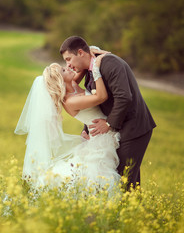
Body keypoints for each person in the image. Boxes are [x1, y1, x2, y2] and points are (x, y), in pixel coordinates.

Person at [59, 36, 156, 190]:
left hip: (133, 128)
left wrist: (109, 124)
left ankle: (126, 211)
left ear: (80, 53)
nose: (68, 64)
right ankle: (134, 212)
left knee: (123, 181)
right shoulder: (90, 69)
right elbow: (93, 106)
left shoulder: (109, 63)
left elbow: (124, 97)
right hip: (118, 129)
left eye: (69, 59)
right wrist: (87, 129)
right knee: (127, 181)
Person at [15, 52, 120, 192]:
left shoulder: (73, 84)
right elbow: (101, 96)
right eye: (63, 70)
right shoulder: (71, 101)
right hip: (102, 137)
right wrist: (96, 67)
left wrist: (91, 51)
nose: (68, 67)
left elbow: (81, 66)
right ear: (60, 80)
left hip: (102, 132)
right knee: (100, 182)